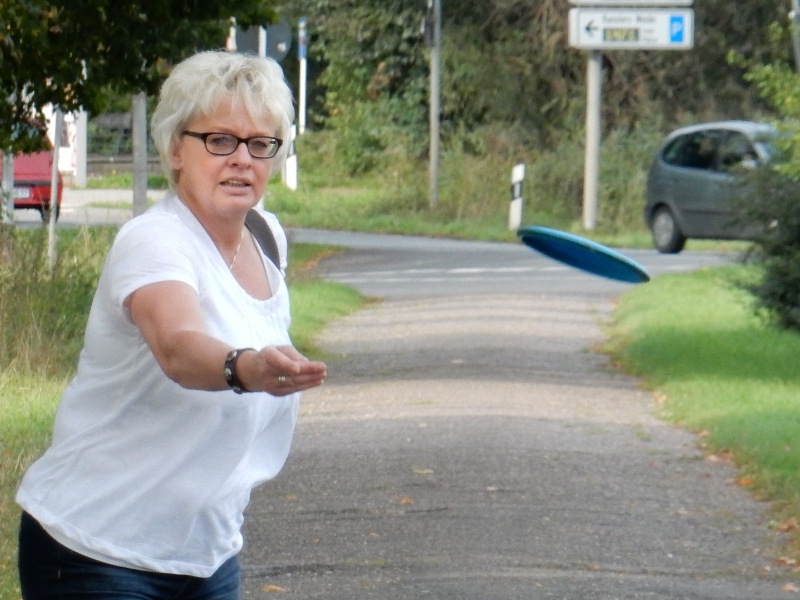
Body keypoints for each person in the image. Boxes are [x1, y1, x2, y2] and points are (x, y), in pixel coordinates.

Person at [15, 50, 327, 599]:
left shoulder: (267, 236)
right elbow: (178, 346)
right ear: (176, 148)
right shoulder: (155, 240)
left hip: (207, 553)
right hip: (96, 549)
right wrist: (245, 367)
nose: (242, 159)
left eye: (260, 143)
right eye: (220, 140)